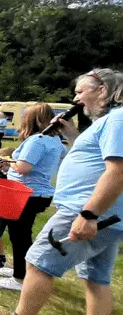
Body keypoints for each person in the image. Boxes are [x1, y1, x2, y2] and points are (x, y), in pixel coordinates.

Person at [11, 69, 123, 315]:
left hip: (89, 211)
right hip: (107, 216)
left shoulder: (118, 119)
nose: (76, 99)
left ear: (102, 90)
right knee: (96, 278)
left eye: (80, 92)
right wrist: (70, 134)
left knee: (39, 263)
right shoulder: (108, 121)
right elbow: (93, 160)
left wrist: (89, 214)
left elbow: (117, 172)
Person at [0, 103, 66, 291]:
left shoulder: (37, 140)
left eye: (25, 118)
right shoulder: (55, 140)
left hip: (27, 195)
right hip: (38, 194)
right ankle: (20, 270)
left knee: (19, 236)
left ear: (33, 120)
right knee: (22, 234)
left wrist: (7, 161)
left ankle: (20, 279)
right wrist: (11, 167)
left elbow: (24, 167)